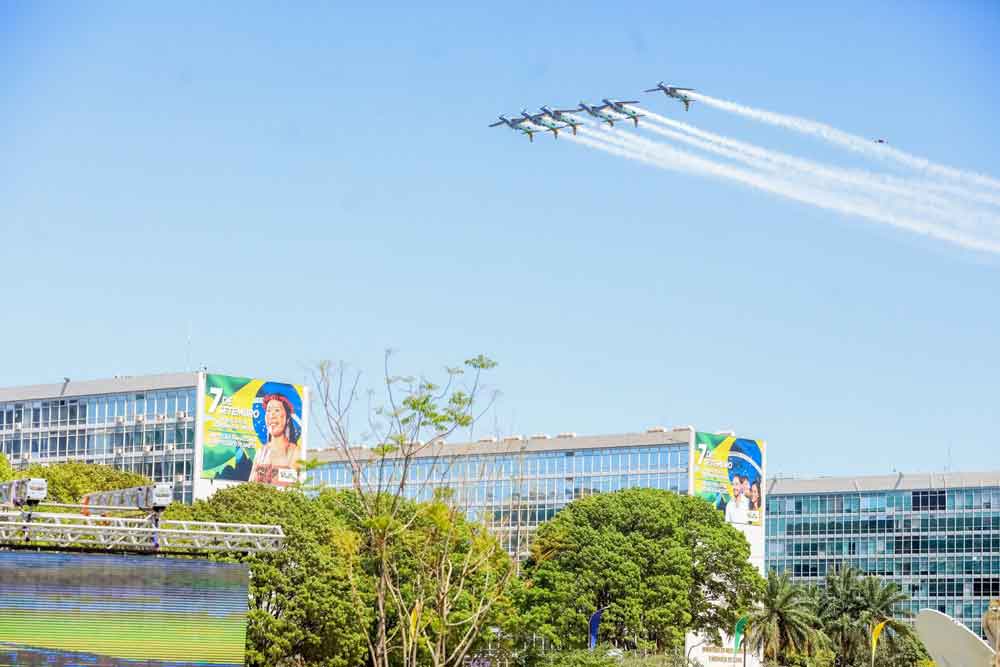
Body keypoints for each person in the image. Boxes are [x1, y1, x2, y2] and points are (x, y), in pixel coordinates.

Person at [250, 394, 301, 484]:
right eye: (268, 411)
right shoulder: (260, 453)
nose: (272, 415)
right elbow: (249, 484)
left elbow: (292, 485)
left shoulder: (294, 452)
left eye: (277, 410)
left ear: (287, 418)